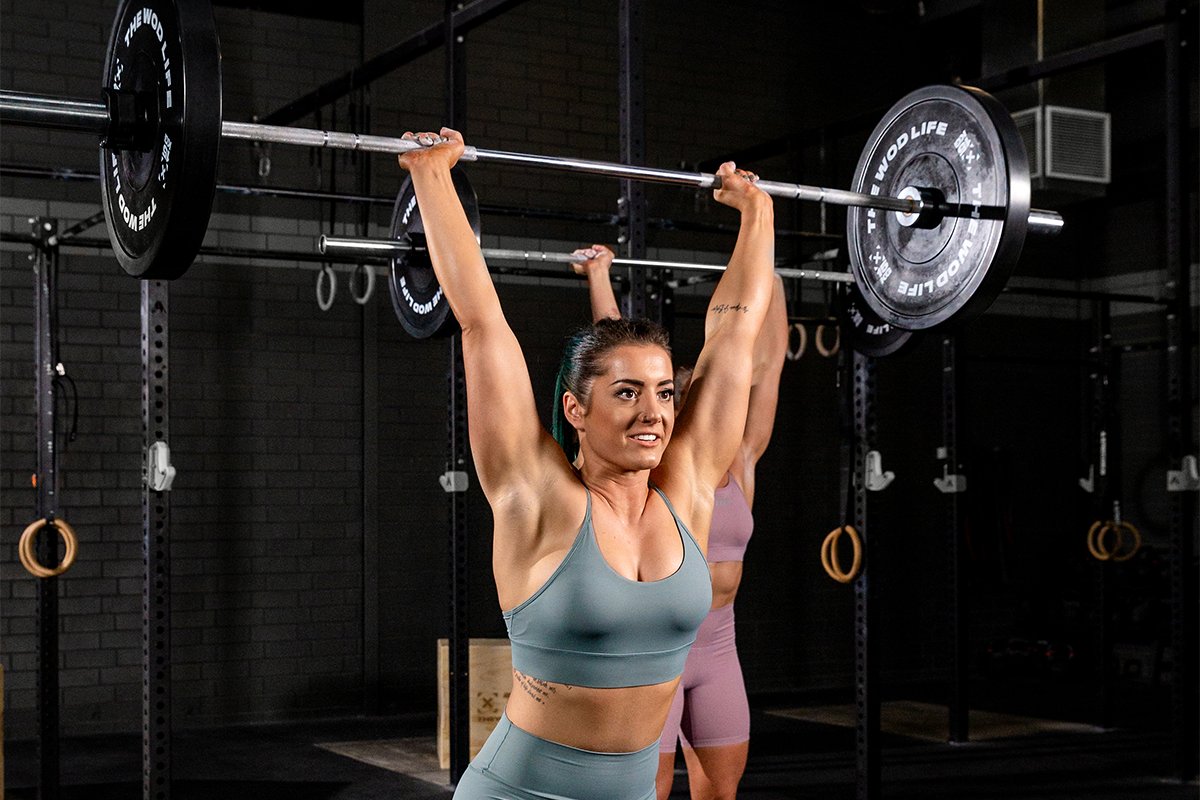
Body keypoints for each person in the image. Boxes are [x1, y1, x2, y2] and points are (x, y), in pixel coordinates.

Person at [397, 128, 776, 800]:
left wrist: (758, 215)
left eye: (662, 392)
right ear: (576, 410)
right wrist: (433, 179)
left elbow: (735, 333)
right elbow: (483, 321)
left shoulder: (687, 491)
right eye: (625, 393)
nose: (654, 413)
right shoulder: (537, 497)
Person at [571, 246, 788, 800]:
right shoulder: (663, 477)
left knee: (721, 789)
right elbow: (617, 353)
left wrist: (766, 267)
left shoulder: (740, 462)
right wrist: (599, 276)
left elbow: (768, 362)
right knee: (651, 790)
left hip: (719, 648)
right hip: (655, 652)